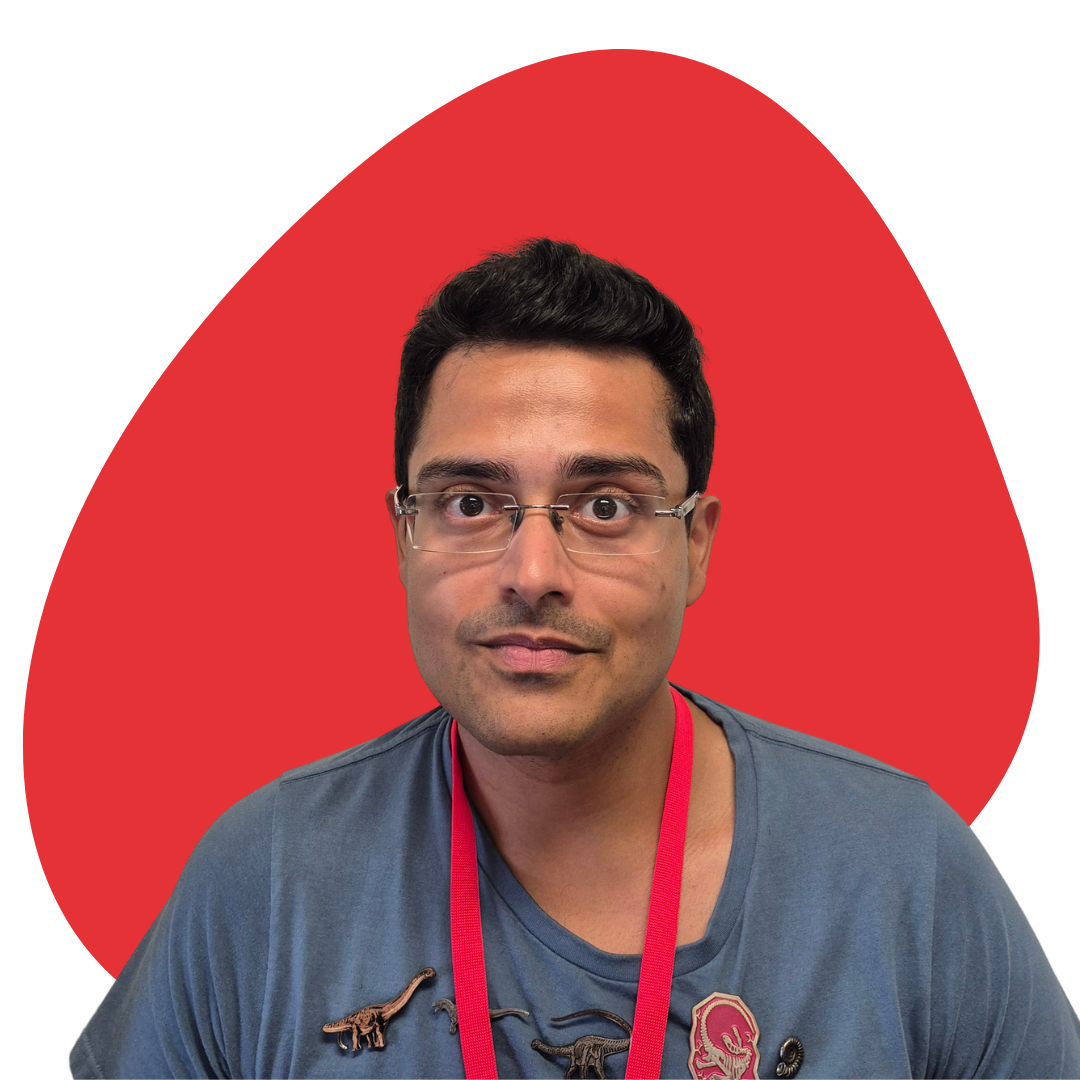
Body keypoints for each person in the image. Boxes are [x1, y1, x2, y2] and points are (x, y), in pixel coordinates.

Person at [71, 239, 1080, 1079]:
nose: (533, 570)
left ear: (695, 546)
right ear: (402, 536)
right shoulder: (265, 882)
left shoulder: (902, 874)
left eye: (605, 507)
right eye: (471, 503)